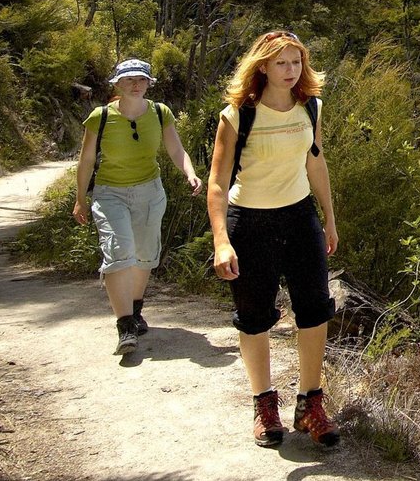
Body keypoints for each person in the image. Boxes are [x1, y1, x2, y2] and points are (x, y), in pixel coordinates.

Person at [206, 31, 340, 448]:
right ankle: (264, 405)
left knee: (315, 309)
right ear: (262, 66)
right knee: (254, 317)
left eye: (296, 62)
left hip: (300, 218)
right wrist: (222, 240)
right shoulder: (237, 116)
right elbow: (217, 182)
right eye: (281, 63)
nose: (290, 71)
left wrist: (329, 220)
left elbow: (315, 163)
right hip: (251, 222)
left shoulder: (310, 107)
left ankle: (310, 405)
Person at [73, 59, 203, 356]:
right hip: (110, 194)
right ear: (116, 84)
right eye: (128, 79)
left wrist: (190, 173)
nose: (135, 84)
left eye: (141, 80)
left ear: (148, 84)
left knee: (144, 254)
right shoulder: (100, 116)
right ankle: (125, 327)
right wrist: (80, 198)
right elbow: (87, 161)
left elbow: (175, 149)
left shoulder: (160, 113)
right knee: (119, 251)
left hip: (150, 191)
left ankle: (135, 309)